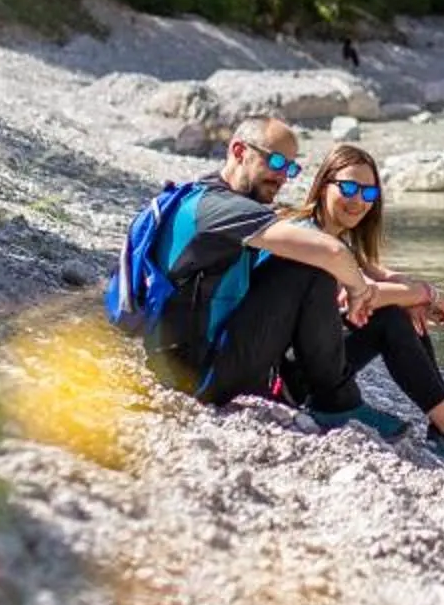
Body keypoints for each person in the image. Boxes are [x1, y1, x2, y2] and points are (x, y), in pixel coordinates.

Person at [284, 141, 444, 462]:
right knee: (390, 316)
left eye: (369, 193)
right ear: (322, 185)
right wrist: (429, 295)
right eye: (348, 187)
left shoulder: (337, 238)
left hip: (316, 362)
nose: (359, 200)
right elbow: (363, 295)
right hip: (291, 376)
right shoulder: (309, 236)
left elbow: (384, 276)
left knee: (404, 310)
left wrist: (415, 293)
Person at [149, 112, 374, 428]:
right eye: (277, 163)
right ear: (240, 152)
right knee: (312, 267)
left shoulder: (209, 198)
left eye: (292, 168)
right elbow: (332, 251)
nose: (284, 177)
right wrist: (359, 291)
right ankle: (337, 403)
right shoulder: (221, 208)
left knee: (310, 266)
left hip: (191, 361)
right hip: (193, 375)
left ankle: (328, 396)